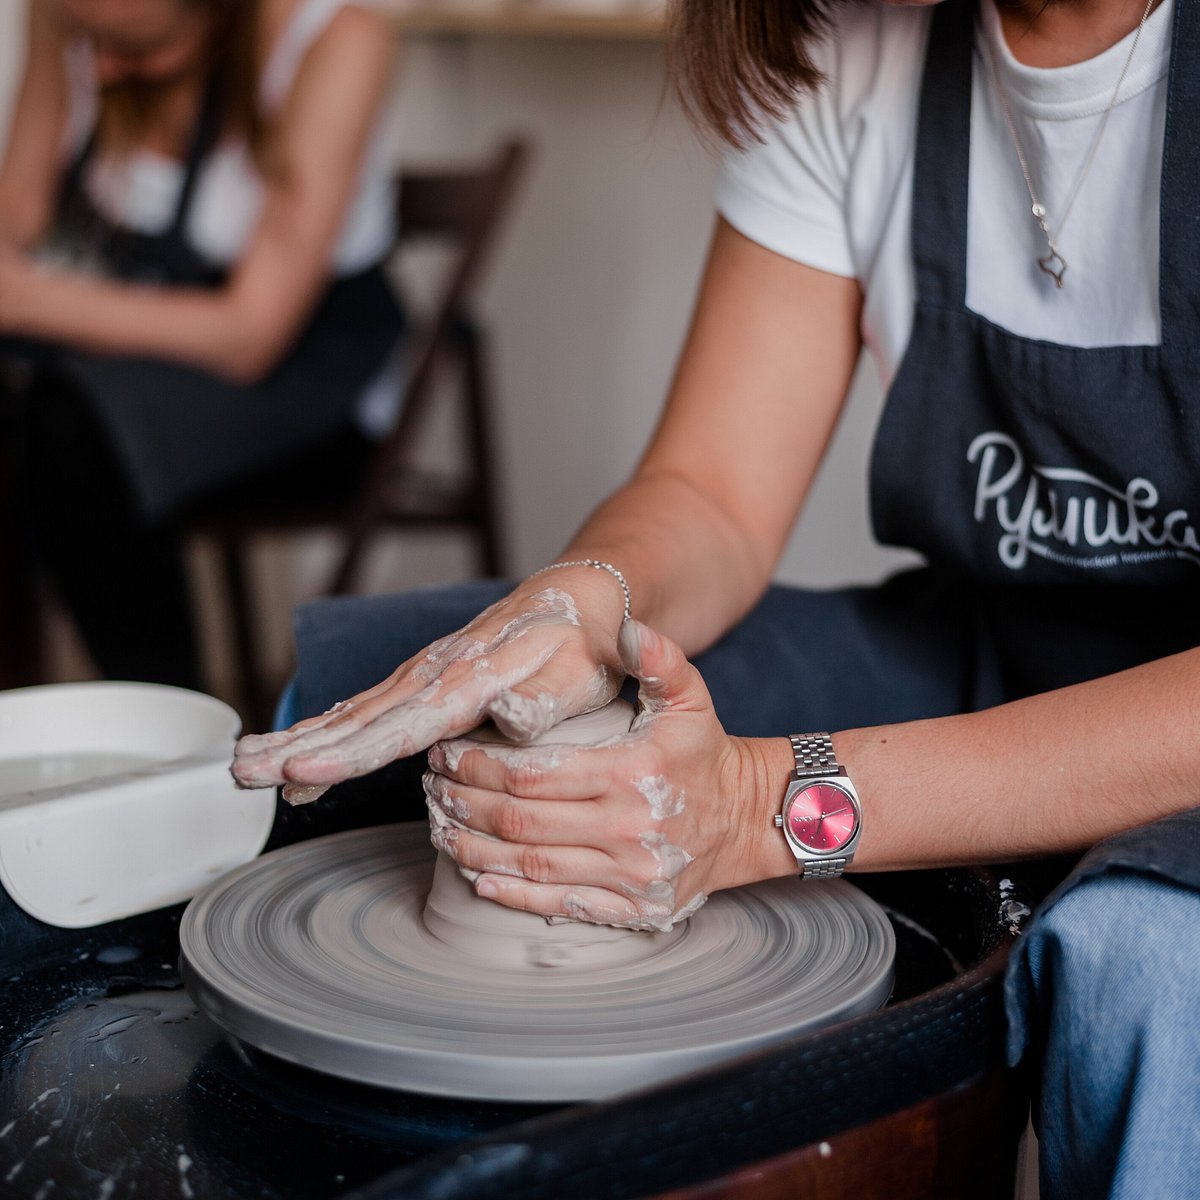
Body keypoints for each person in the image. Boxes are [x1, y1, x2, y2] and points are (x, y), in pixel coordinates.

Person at [232, 0, 1200, 1195]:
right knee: (375, 701)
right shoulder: (848, 28)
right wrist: (577, 612)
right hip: (986, 641)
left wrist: (760, 806)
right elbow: (715, 491)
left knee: (1161, 955)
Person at [0, 0, 403, 690]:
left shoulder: (337, 41)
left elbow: (251, 335)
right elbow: (18, 222)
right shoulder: (71, 16)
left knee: (68, 430)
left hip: (305, 389)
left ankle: (170, 738)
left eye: (140, 48)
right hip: (135, 360)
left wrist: (32, 300)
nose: (99, 68)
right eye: (86, 40)